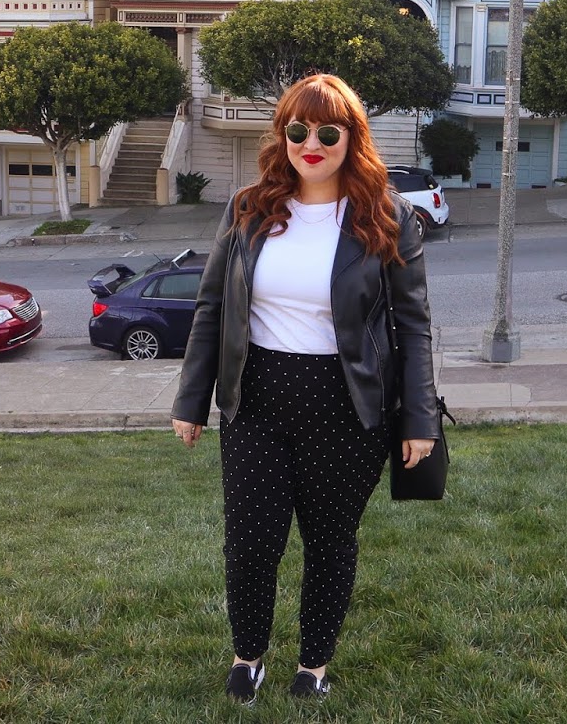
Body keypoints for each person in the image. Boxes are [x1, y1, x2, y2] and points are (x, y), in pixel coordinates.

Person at [171, 73, 439, 705]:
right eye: (297, 131)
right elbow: (212, 306)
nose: (310, 145)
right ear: (282, 136)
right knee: (250, 541)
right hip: (257, 400)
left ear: (352, 138)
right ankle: (248, 657)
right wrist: (192, 401)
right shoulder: (248, 209)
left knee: (329, 541)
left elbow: (413, 325)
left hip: (348, 406)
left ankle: (313, 665)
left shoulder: (386, 216)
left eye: (327, 133)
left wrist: (420, 419)